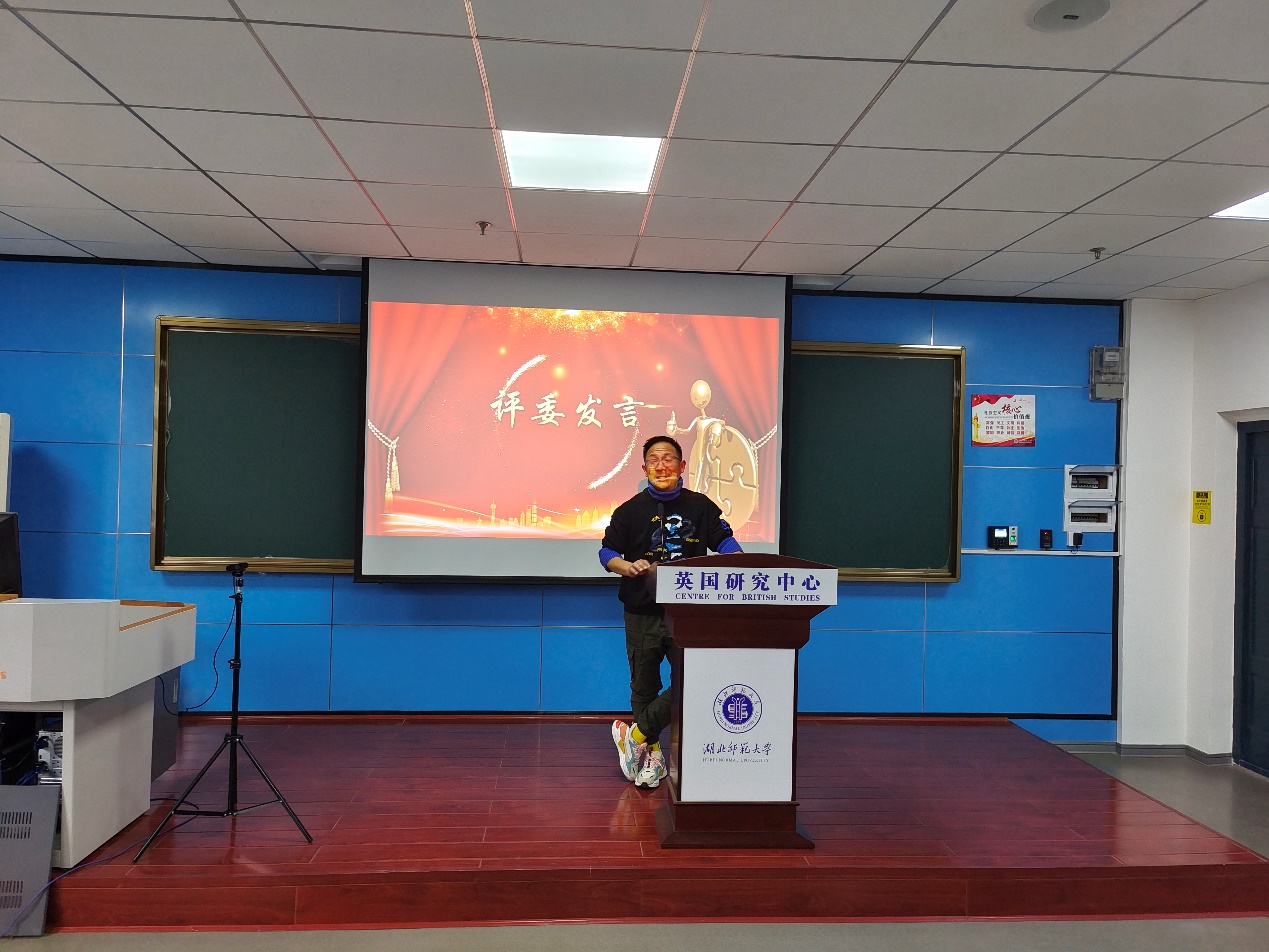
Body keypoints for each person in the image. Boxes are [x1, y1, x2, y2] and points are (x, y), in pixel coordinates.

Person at [598, 435, 742, 789]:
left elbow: (724, 542)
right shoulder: (629, 510)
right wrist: (628, 566)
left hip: (690, 612)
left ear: (682, 466)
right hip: (642, 611)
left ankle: (636, 734)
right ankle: (652, 755)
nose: (661, 466)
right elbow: (607, 552)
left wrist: (741, 562)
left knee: (694, 679)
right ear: (644, 467)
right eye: (653, 460)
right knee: (644, 684)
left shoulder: (700, 506)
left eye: (668, 459)